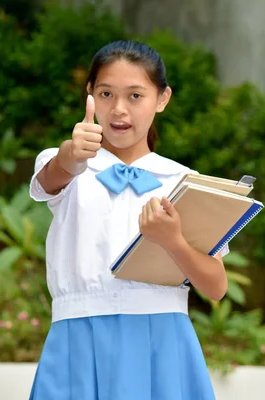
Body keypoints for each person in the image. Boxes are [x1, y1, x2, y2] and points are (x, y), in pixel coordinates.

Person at [28, 40, 228, 400]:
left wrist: (173, 241)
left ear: (162, 99)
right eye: (106, 93)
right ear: (89, 95)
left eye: (135, 96)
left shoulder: (185, 182)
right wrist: (72, 156)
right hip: (78, 336)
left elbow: (215, 287)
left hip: (163, 342)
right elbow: (52, 177)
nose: (119, 110)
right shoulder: (65, 163)